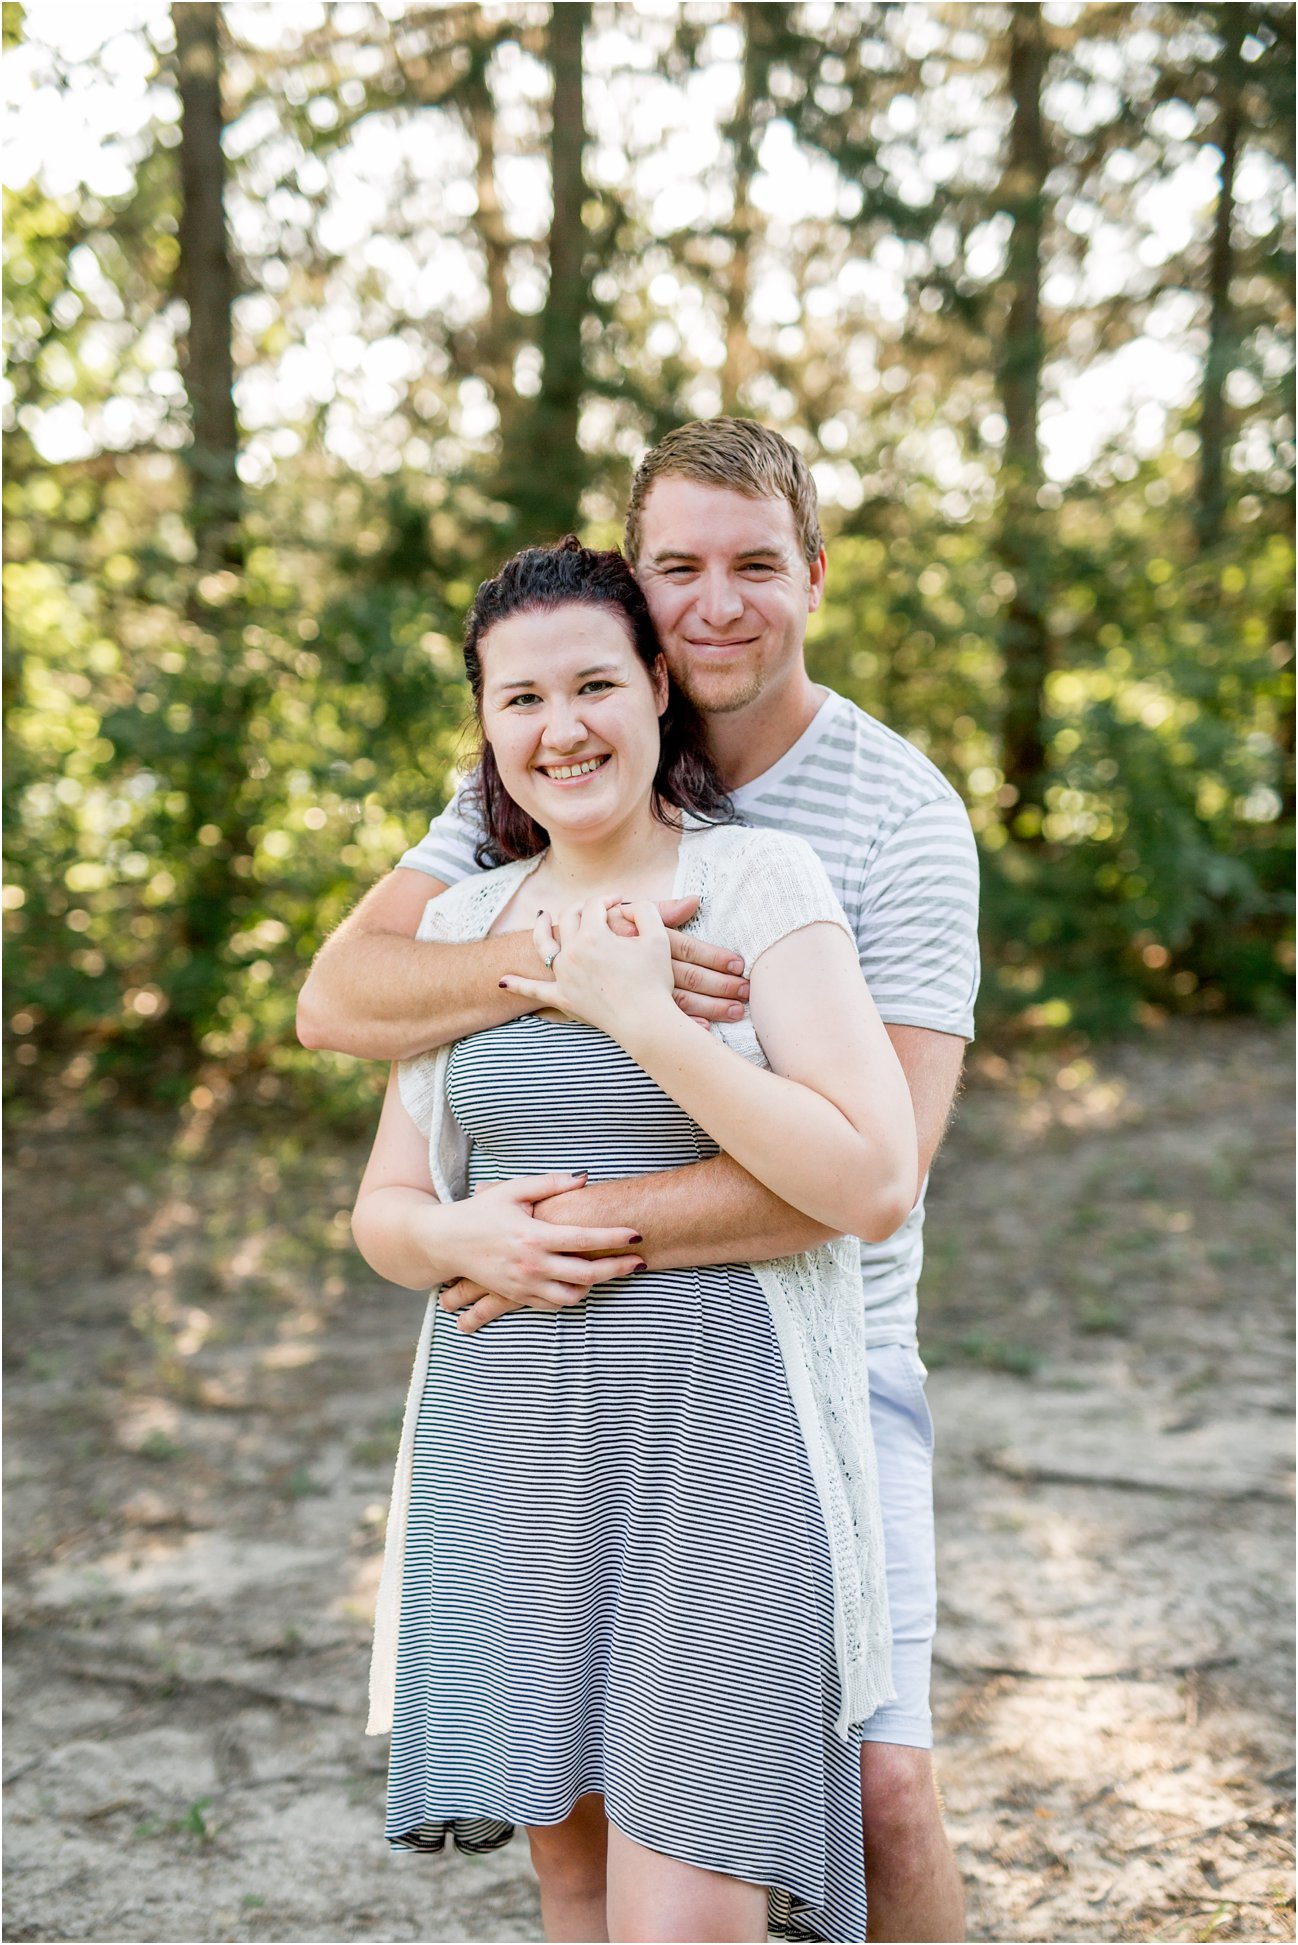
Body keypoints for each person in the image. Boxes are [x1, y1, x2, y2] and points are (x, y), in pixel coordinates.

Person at [299, 419, 978, 1943]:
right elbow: (345, 1003)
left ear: (811, 575)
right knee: (577, 1845)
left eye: (753, 565)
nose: (716, 599)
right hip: (528, 1396)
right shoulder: (504, 829)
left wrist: (566, 1202)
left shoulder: (877, 824)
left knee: (871, 1795)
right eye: (678, 566)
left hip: (810, 1355)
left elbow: (882, 1172)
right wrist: (541, 973)